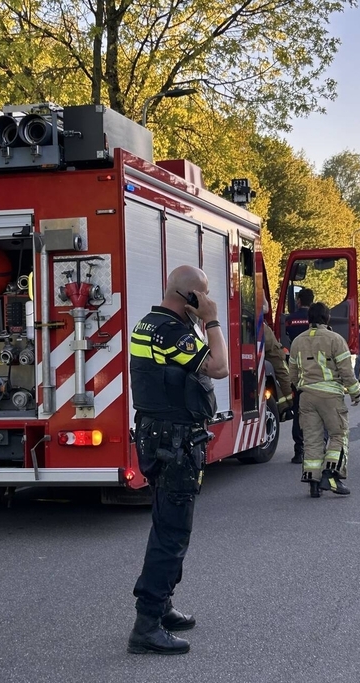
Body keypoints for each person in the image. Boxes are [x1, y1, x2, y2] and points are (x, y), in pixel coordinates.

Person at [127, 265, 229, 656]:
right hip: (175, 441)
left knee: (164, 523)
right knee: (172, 534)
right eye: (201, 296)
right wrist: (212, 319)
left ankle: (163, 605)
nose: (204, 302)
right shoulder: (173, 332)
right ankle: (147, 624)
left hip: (157, 437)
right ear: (192, 298)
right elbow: (218, 368)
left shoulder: (149, 324)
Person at [289, 302, 360, 497]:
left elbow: (292, 374)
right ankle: (329, 475)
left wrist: (298, 389)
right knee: (339, 435)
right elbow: (346, 371)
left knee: (312, 439)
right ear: (327, 318)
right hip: (330, 396)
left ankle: (313, 482)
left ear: (309, 319)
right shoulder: (335, 339)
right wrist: (355, 392)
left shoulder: (297, 341)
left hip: (306, 397)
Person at [286, 288, 314, 464]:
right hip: (318, 372)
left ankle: (299, 450)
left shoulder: (290, 320)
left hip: (298, 370)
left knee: (299, 411)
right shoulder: (317, 319)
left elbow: (287, 340)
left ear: (298, 301)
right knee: (319, 413)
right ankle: (318, 447)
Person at [262, 301, 294, 418]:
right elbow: (265, 308)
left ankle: (283, 408)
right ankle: (293, 404)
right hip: (265, 335)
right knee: (283, 374)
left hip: (254, 334)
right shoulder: (253, 291)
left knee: (272, 377)